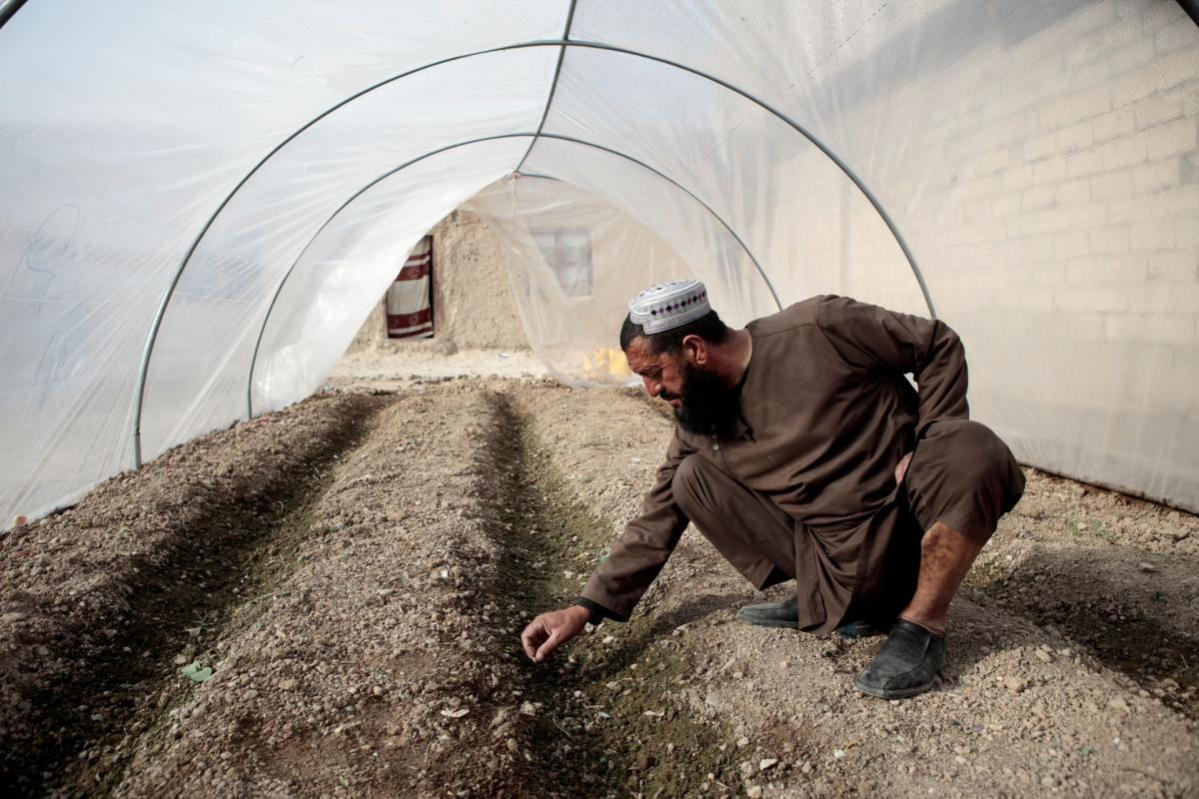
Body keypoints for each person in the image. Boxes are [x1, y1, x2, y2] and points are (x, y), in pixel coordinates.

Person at [520, 280, 1025, 699]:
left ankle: (921, 624)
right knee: (688, 478)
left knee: (970, 448)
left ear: (694, 349)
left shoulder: (820, 327)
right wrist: (584, 608)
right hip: (830, 563)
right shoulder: (700, 419)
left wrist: (929, 436)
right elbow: (656, 518)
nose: (651, 390)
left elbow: (936, 343)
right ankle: (819, 600)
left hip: (902, 536)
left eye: (654, 373)